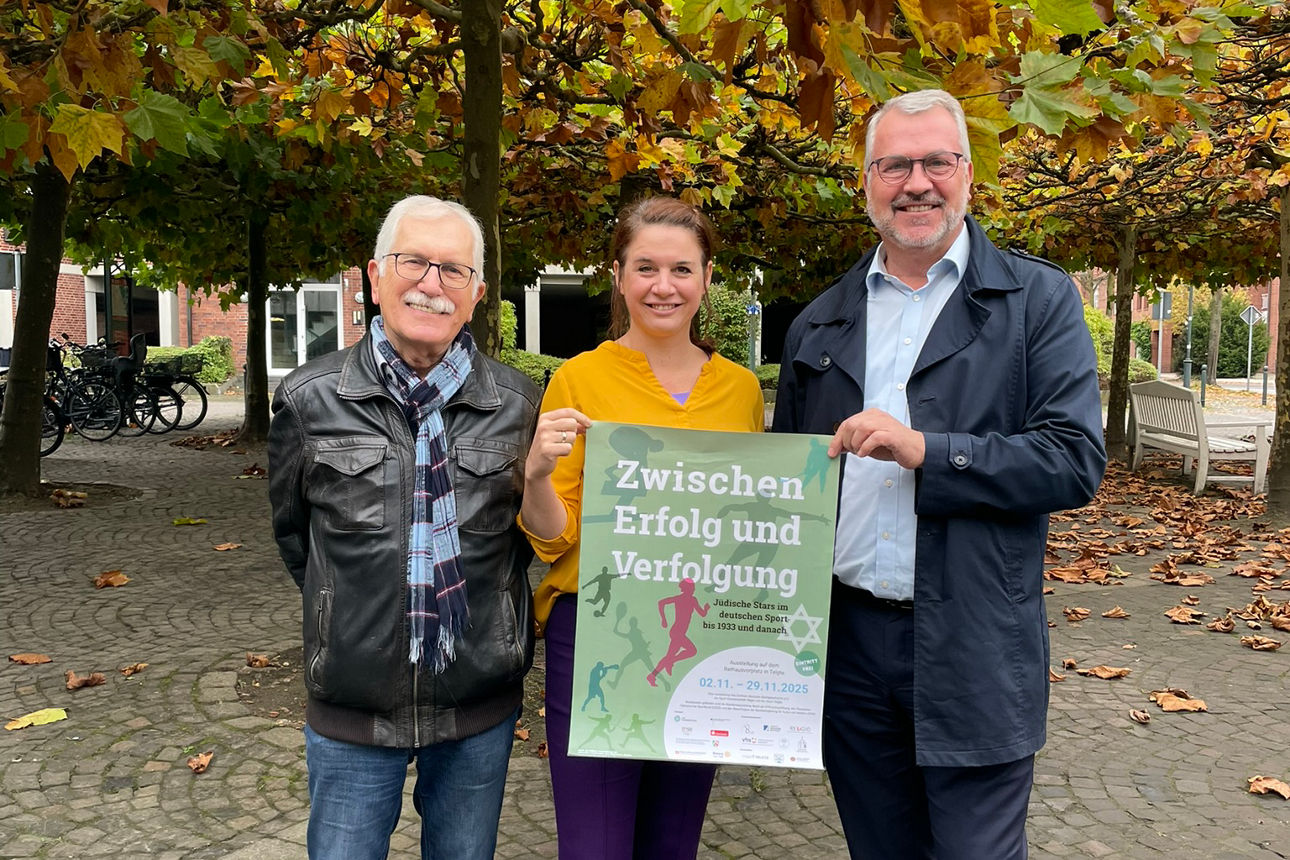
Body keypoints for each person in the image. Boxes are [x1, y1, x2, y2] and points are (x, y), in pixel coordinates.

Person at [773, 89, 1106, 859]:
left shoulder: (1036, 300)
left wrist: (931, 450)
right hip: (849, 645)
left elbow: (1072, 459)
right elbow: (791, 491)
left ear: (967, 175)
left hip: (975, 639)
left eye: (936, 162)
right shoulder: (819, 320)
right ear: (866, 182)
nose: (916, 183)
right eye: (894, 165)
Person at [267, 195, 540, 860]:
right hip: (353, 707)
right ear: (375, 274)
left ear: (476, 294)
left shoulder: (519, 405)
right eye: (413, 261)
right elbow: (296, 538)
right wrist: (344, 610)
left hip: (477, 706)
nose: (430, 283)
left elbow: (524, 542)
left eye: (453, 270)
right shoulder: (308, 400)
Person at [519, 195, 765, 859]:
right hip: (598, 632)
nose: (664, 286)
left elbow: (749, 522)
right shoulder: (579, 379)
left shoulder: (741, 390)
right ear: (619, 276)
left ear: (707, 278)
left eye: (682, 269)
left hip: (704, 635)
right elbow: (555, 538)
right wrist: (537, 476)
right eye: (646, 268)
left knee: (672, 843)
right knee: (593, 846)